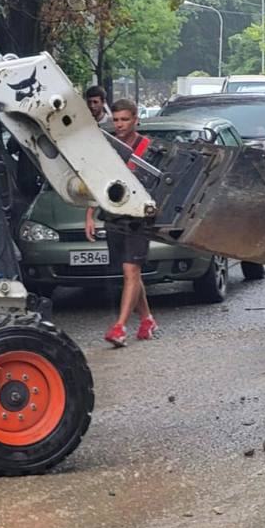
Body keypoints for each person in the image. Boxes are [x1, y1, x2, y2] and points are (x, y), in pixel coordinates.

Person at [85, 99, 155, 346]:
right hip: (114, 214)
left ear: (136, 119)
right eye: (116, 120)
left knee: (130, 271)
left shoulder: (146, 146)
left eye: (125, 119)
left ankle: (120, 327)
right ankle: (146, 318)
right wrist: (90, 215)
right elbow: (98, 181)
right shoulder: (107, 146)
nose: (120, 124)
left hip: (137, 218)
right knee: (131, 273)